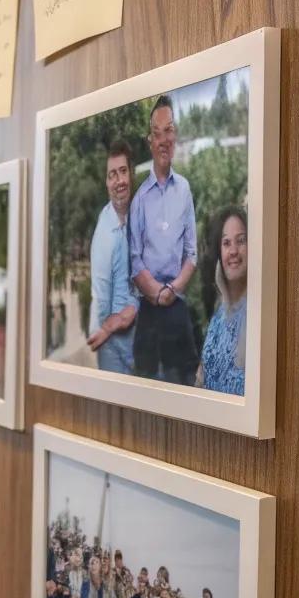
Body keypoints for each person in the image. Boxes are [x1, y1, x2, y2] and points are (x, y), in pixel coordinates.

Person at [129, 95, 199, 384]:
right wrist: (157, 292)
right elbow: (135, 261)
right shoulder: (139, 200)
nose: (163, 140)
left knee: (184, 394)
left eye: (168, 131)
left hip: (177, 310)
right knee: (146, 397)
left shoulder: (184, 190)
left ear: (175, 134)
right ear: (150, 141)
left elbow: (192, 253)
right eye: (157, 134)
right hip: (148, 312)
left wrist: (173, 289)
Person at [87, 139, 139, 375]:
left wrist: (133, 309)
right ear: (106, 183)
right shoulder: (105, 233)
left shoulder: (138, 217)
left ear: (131, 175)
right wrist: (109, 329)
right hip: (112, 350)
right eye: (112, 175)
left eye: (123, 172)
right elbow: (100, 298)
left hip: (136, 347)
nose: (119, 181)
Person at [198, 208, 248, 395]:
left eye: (241, 241)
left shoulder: (259, 315)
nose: (233, 251)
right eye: (226, 243)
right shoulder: (219, 316)